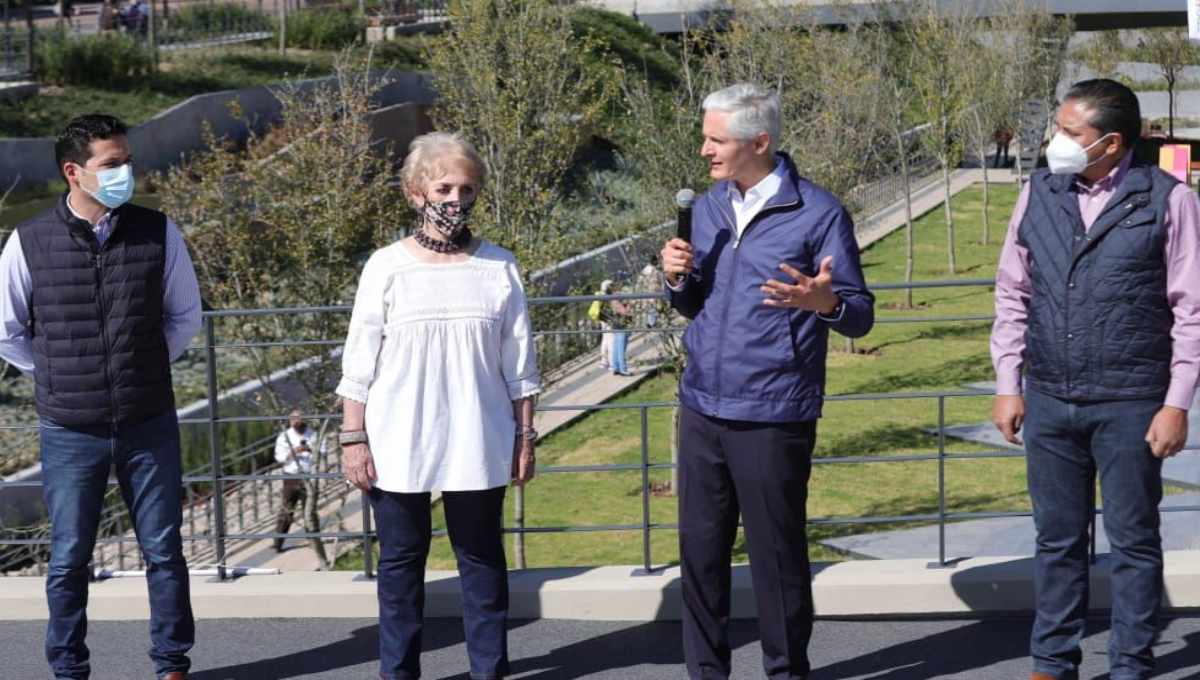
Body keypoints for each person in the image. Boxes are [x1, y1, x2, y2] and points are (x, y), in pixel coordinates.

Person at [660, 83, 874, 680]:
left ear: (760, 142)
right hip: (702, 406)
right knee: (700, 560)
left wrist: (822, 301)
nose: (704, 150)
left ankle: (786, 672)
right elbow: (692, 305)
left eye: (714, 139)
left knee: (776, 562)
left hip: (775, 411)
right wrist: (676, 279)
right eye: (704, 136)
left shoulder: (820, 212)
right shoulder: (706, 207)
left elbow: (860, 312)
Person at [991, 79, 1200, 680]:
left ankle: (1131, 663)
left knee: (1134, 543)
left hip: (1133, 402)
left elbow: (1191, 309)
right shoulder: (1039, 192)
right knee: (1056, 541)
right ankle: (1052, 663)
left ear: (1110, 143)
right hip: (1051, 399)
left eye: (1069, 132)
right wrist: (1010, 381)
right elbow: (1012, 290)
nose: (1056, 141)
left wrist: (1176, 402)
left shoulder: (1167, 199)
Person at [0, 115, 202, 680]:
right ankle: (69, 668)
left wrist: (141, 365)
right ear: (74, 171)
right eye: (111, 164)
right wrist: (60, 374)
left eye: (127, 161)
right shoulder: (28, 241)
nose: (125, 173)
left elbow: (185, 317)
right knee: (68, 559)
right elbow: (5, 330)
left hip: (148, 420)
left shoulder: (158, 231)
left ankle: (171, 665)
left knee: (164, 552)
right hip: (69, 428)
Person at [335, 131, 540, 680]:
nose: (454, 199)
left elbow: (520, 365)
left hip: (480, 438)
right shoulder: (385, 266)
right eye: (443, 186)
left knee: (481, 564)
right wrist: (353, 439)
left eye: (465, 188)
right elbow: (360, 360)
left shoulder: (500, 267)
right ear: (414, 191)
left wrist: (526, 437)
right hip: (398, 441)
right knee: (401, 568)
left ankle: (488, 670)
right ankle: (397, 672)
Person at [272, 409, 323, 553]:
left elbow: (322, 450)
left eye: (298, 418)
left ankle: (314, 540)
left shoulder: (312, 434)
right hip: (291, 476)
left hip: (308, 475)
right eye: (293, 419)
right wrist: (294, 451)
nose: (295, 422)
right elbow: (279, 457)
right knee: (286, 510)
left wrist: (309, 449)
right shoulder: (285, 436)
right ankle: (278, 543)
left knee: (310, 511)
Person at [600, 279, 632, 376]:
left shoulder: (607, 298)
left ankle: (616, 367)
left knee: (616, 345)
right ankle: (623, 368)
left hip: (615, 324)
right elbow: (624, 312)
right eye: (613, 285)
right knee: (621, 346)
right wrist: (629, 306)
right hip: (621, 324)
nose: (616, 286)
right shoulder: (614, 300)